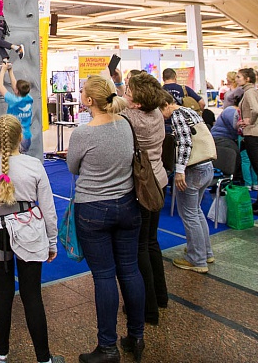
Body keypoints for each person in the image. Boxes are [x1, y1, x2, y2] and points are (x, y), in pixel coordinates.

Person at [0, 115, 64, 363]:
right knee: (32, 294)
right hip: (30, 232)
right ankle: (44, 359)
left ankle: (1, 354)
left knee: (2, 292)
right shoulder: (34, 165)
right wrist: (52, 241)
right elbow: (48, 208)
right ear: (21, 137)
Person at [67, 75, 145, 363]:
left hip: (93, 209)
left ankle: (108, 347)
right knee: (130, 270)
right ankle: (136, 336)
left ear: (89, 100)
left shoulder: (83, 134)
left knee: (104, 276)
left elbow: (73, 167)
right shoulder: (124, 124)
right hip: (127, 204)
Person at [112, 69, 170, 326]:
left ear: (136, 102)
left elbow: (113, 108)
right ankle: (161, 296)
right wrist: (117, 82)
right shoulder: (155, 112)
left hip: (143, 187)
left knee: (140, 248)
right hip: (159, 181)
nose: (125, 92)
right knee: (152, 242)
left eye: (129, 90)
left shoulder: (130, 119)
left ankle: (148, 309)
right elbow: (122, 101)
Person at [164, 100, 215, 273]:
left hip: (193, 169)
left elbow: (185, 143)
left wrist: (179, 171)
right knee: (196, 211)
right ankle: (205, 251)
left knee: (189, 214)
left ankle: (197, 259)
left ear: (166, 104)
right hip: (206, 166)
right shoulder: (189, 111)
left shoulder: (177, 115)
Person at [237, 68, 258, 217]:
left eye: (239, 77)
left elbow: (256, 110)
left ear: (247, 79)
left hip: (252, 133)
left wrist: (249, 121)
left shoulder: (250, 92)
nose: (237, 79)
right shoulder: (254, 91)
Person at [0, 61, 35, 152]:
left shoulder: (13, 100)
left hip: (16, 138)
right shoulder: (29, 98)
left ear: (17, 91)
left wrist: (3, 70)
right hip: (27, 137)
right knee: (22, 157)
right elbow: (16, 87)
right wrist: (10, 70)